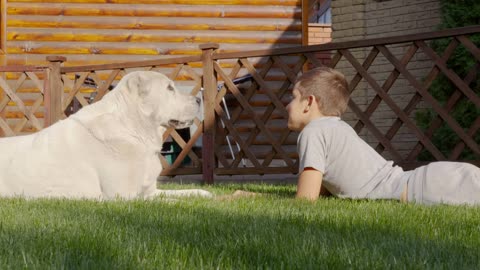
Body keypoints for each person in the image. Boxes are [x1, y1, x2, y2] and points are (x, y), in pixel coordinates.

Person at [286, 67, 480, 205]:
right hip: (426, 180)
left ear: (309, 102)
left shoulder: (312, 132)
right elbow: (327, 183)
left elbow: (306, 200)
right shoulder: (339, 128)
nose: (288, 105)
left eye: (293, 97)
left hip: (422, 189)